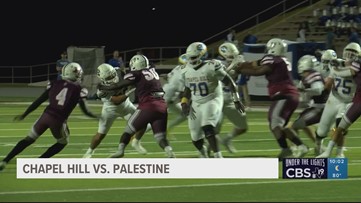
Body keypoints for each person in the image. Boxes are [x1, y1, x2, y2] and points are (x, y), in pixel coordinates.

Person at [0, 62, 98, 171]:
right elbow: (85, 110)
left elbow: (39, 100)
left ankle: (5, 161)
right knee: (63, 142)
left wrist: (25, 114)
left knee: (28, 139)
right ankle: (39, 163)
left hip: (45, 116)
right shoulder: (80, 89)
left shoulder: (54, 83)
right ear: (77, 74)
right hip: (58, 120)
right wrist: (95, 116)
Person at [229, 38, 309, 159]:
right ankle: (290, 148)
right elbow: (255, 64)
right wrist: (241, 65)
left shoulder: (273, 59)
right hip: (289, 95)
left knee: (275, 123)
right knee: (278, 124)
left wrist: (239, 69)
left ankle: (295, 148)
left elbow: (259, 71)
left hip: (284, 94)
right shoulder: (281, 60)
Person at [97, 54, 175, 158]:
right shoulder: (152, 69)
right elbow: (149, 66)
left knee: (128, 131)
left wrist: (103, 88)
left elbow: (118, 85)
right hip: (162, 106)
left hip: (148, 105)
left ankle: (120, 151)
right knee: (160, 137)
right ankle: (169, 152)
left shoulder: (136, 73)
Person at [179, 42, 245, 158]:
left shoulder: (212, 66)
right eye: (190, 57)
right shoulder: (185, 69)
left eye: (194, 57)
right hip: (196, 103)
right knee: (195, 138)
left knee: (207, 126)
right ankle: (203, 153)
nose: (191, 60)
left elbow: (229, 82)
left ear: (202, 55)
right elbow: (187, 88)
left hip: (212, 99)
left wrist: (236, 100)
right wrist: (184, 103)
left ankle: (218, 156)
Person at [83, 63, 147, 158]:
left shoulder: (119, 72)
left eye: (112, 74)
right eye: (108, 77)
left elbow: (129, 76)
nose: (112, 77)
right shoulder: (101, 90)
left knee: (143, 124)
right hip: (110, 110)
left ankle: (136, 142)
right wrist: (132, 89)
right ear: (102, 78)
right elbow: (117, 101)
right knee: (100, 134)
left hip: (126, 106)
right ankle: (89, 152)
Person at [316, 43, 360, 158]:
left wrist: (334, 70)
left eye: (353, 52)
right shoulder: (339, 63)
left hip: (349, 101)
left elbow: (347, 72)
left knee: (339, 127)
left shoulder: (356, 66)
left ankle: (339, 152)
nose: (350, 54)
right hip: (334, 99)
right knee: (322, 131)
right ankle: (319, 145)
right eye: (349, 51)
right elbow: (329, 82)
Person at [292, 54, 332, 155]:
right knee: (301, 123)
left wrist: (304, 90)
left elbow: (318, 90)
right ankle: (317, 146)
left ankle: (301, 147)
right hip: (317, 106)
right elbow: (305, 98)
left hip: (320, 108)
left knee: (294, 126)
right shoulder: (307, 77)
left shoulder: (313, 75)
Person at [216, 42, 248, 153]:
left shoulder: (236, 63)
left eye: (234, 56)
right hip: (217, 99)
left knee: (242, 126)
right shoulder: (216, 63)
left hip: (231, 99)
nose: (233, 58)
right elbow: (222, 76)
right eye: (230, 57)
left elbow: (236, 75)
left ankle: (227, 139)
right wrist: (233, 65)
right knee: (213, 131)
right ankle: (207, 152)